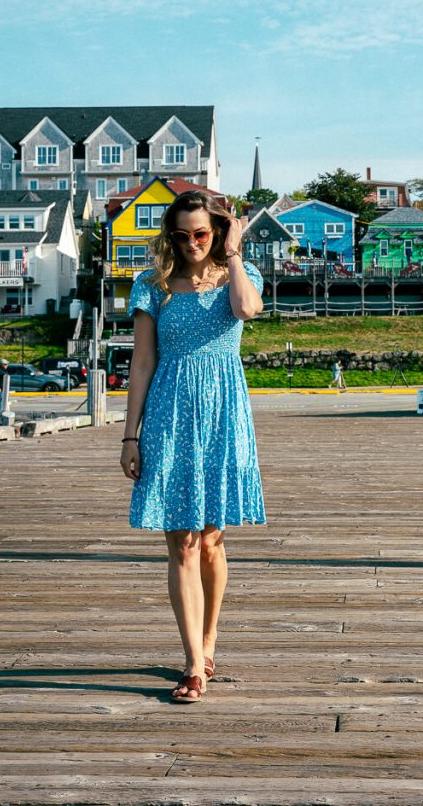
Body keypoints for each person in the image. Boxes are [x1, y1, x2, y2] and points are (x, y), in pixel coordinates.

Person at [120, 191, 266, 705]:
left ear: (218, 231)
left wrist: (234, 253)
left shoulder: (235, 277)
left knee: (211, 539)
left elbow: (249, 309)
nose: (190, 244)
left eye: (200, 233)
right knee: (180, 541)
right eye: (181, 236)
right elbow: (140, 364)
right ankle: (192, 663)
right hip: (169, 414)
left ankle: (209, 641)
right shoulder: (152, 286)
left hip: (223, 414)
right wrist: (130, 434)